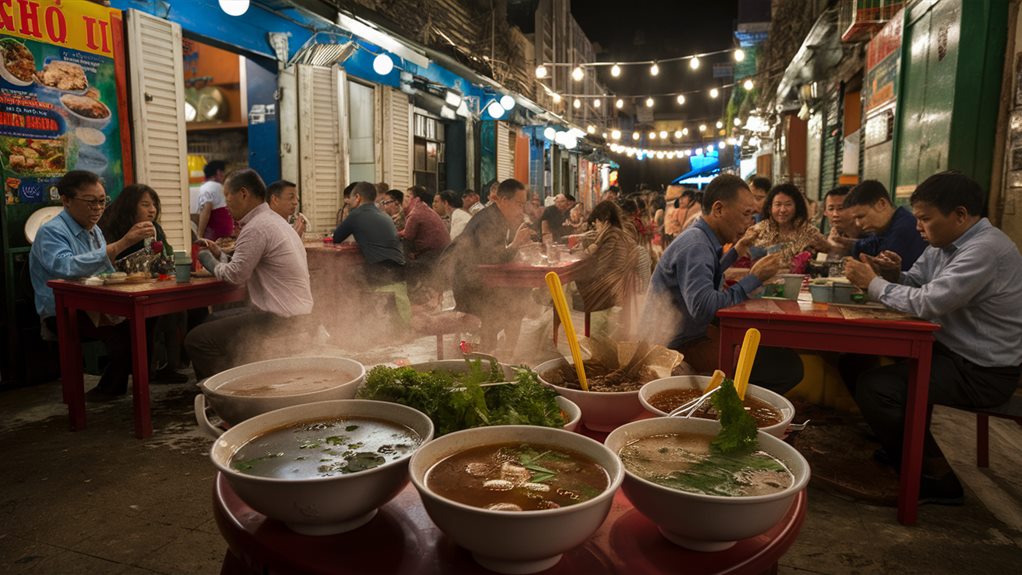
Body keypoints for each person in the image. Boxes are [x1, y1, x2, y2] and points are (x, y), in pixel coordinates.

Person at [842, 171, 1022, 504]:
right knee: (853, 357)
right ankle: (903, 445)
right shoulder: (945, 243)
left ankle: (933, 475)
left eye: (925, 218)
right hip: (950, 353)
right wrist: (895, 274)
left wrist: (873, 284)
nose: (917, 226)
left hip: (981, 371)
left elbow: (929, 302)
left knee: (877, 388)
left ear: (960, 215)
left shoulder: (984, 249)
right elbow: (920, 283)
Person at [640, 174, 802, 394]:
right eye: (746, 214)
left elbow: (707, 271)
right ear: (718, 209)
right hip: (674, 345)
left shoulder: (699, 238)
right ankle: (726, 409)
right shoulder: (696, 245)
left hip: (687, 335)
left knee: (767, 349)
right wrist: (754, 277)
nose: (749, 224)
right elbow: (704, 307)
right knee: (788, 367)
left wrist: (737, 250)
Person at [30, 171, 156, 398]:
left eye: (102, 201)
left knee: (145, 320)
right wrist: (122, 243)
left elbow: (103, 271)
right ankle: (111, 390)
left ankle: (131, 389)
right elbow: (64, 267)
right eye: (90, 202)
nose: (98, 208)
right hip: (62, 309)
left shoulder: (94, 230)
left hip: (94, 304)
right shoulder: (51, 231)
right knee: (122, 338)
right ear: (66, 200)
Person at [186, 169, 314, 380]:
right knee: (210, 319)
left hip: (280, 319)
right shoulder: (275, 221)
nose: (226, 205)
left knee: (196, 340)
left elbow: (236, 276)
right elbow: (245, 265)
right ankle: (236, 379)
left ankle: (231, 394)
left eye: (227, 197)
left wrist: (208, 261)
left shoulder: (256, 227)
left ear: (243, 194)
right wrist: (221, 255)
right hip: (299, 314)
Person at [98, 183, 188, 383]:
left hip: (151, 289)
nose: (152, 210)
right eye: (145, 205)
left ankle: (169, 366)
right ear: (130, 207)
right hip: (119, 295)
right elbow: (104, 264)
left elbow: (166, 256)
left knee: (180, 309)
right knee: (148, 318)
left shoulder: (155, 229)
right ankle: (144, 373)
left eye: (154, 204)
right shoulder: (112, 229)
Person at [445, 178, 534, 353]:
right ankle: (493, 351)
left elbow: (494, 256)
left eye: (523, 205)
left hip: (479, 280)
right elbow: (492, 258)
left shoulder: (496, 216)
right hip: (470, 287)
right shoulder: (490, 221)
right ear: (503, 200)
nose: (521, 210)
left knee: (520, 296)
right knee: (516, 304)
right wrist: (516, 244)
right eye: (519, 205)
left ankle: (501, 350)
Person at [575, 201, 638, 330]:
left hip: (607, 290)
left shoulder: (611, 236)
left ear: (604, 221)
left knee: (566, 284)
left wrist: (586, 254)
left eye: (596, 223)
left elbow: (602, 270)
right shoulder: (618, 233)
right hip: (616, 286)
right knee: (569, 283)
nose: (596, 227)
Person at [740, 183, 830, 270]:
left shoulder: (809, 232)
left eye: (788, 204)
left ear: (797, 207)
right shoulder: (757, 231)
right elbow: (743, 259)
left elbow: (827, 253)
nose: (782, 210)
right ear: (770, 208)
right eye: (778, 204)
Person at [841, 180, 928, 270]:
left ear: (881, 204)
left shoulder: (903, 232)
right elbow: (871, 244)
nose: (858, 224)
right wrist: (842, 242)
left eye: (861, 217)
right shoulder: (887, 227)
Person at [333, 182, 406, 284]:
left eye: (351, 198)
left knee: (347, 277)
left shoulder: (356, 214)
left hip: (381, 272)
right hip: (400, 269)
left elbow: (336, 238)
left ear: (358, 197)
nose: (349, 202)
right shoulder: (384, 215)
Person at [400, 186, 451, 262]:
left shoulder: (416, 213)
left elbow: (407, 240)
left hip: (434, 258)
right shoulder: (424, 208)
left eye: (407, 196)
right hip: (443, 254)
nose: (403, 199)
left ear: (416, 199)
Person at [196, 160, 232, 241]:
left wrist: (199, 235)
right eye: (224, 172)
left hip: (214, 234)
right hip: (225, 232)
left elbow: (206, 211)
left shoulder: (208, 187)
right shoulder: (220, 187)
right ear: (219, 172)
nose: (224, 176)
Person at [823, 185, 857, 252]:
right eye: (831, 209)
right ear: (825, 212)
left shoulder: (868, 240)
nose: (835, 214)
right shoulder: (824, 240)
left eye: (841, 208)